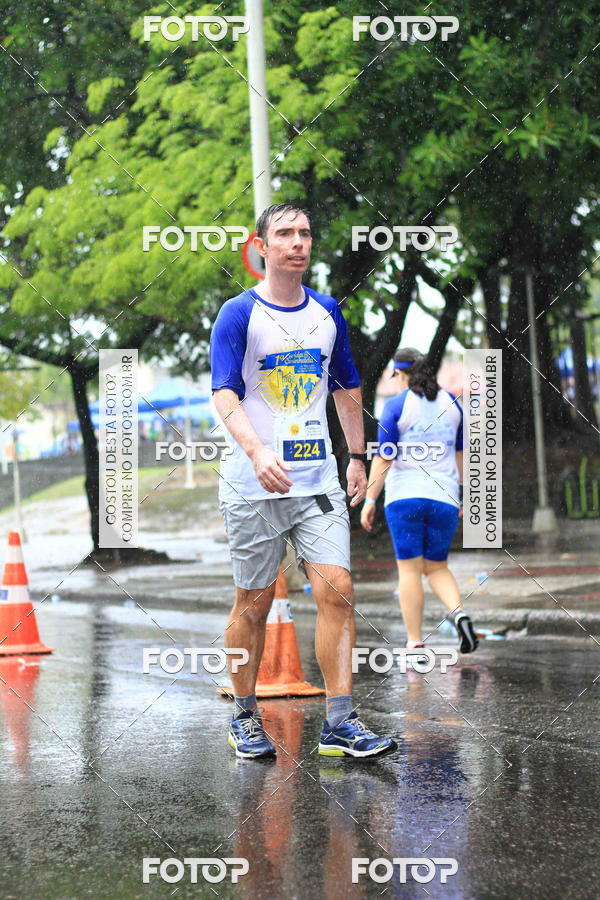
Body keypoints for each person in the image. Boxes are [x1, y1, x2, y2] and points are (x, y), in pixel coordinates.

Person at [210, 203, 397, 760]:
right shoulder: (238, 314)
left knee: (337, 588)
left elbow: (346, 388)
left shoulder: (327, 313)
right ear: (262, 247)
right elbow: (224, 393)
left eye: (305, 233)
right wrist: (256, 449)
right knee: (254, 602)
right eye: (285, 234)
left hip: (316, 484)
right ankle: (245, 717)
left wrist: (358, 456)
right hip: (254, 485)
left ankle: (339, 722)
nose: (298, 242)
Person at [360, 347, 478, 658]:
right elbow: (461, 454)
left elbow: (384, 457)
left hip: (405, 498)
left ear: (399, 373)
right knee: (437, 567)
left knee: (410, 571)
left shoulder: (396, 405)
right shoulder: (452, 403)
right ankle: (461, 616)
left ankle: (414, 641)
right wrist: (463, 494)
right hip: (445, 499)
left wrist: (370, 498)